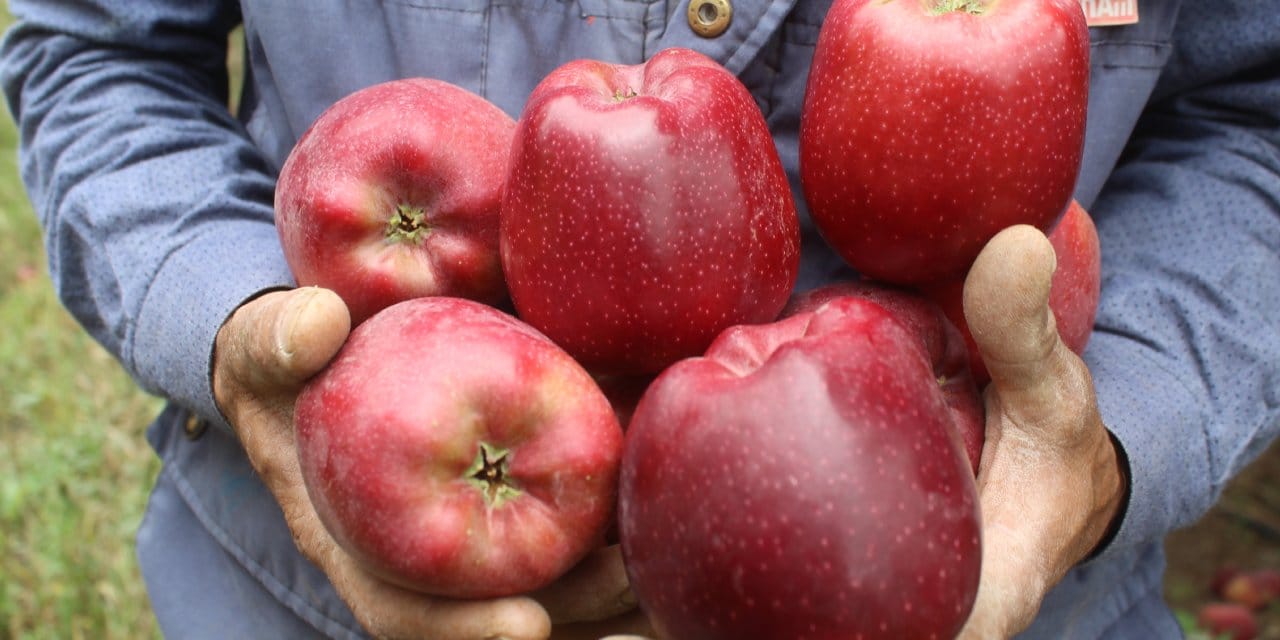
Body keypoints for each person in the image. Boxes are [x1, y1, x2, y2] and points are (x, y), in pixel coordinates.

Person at [2, 0, 1276, 638]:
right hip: (306, 594)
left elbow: (1256, 117)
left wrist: (1113, 442)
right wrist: (239, 329)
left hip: (982, 583)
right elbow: (95, 49)